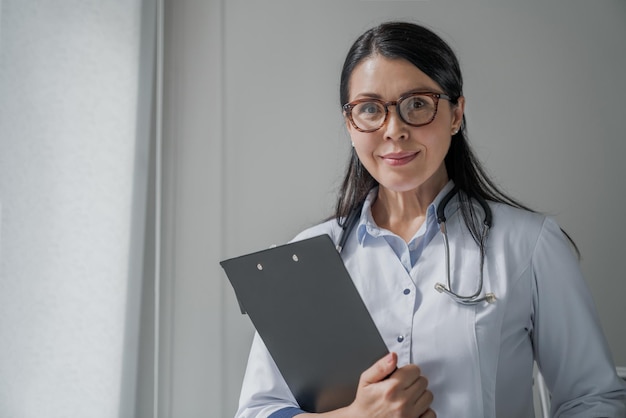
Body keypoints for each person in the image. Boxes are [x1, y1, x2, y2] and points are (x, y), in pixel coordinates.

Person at [235, 21, 626, 417]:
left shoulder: (529, 245)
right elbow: (259, 410)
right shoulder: (302, 259)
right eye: (370, 109)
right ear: (350, 123)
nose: (394, 130)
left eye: (417, 104)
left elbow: (592, 399)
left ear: (456, 114)